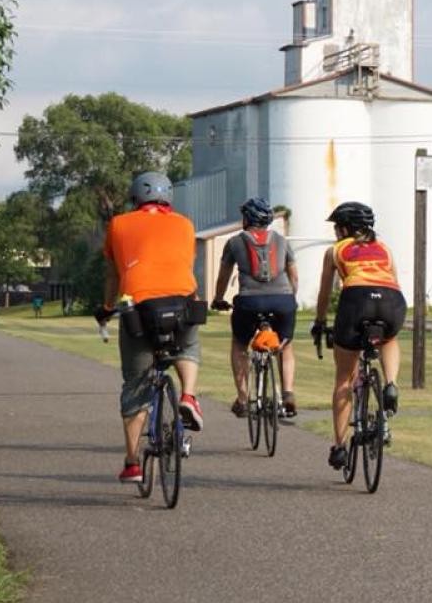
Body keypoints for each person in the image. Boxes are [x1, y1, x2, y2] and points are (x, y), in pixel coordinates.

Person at [96, 171, 204, 484]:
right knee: (188, 345)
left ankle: (132, 463)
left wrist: (106, 308)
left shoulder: (118, 224)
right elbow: (183, 264)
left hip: (139, 307)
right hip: (182, 301)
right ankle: (188, 395)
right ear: (168, 198)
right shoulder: (185, 224)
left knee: (135, 385)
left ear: (135, 199)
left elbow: (114, 275)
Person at [311, 201, 406, 469]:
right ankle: (391, 383)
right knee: (389, 337)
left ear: (343, 229)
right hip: (391, 300)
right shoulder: (385, 249)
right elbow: (394, 279)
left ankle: (340, 447)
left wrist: (320, 321)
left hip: (356, 300)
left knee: (344, 379)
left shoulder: (335, 251)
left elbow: (325, 292)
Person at [211, 197, 299, 417]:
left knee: (240, 345)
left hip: (249, 302)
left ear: (247, 219)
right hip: (283, 301)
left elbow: (223, 277)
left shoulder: (234, 242)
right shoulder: (283, 241)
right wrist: (290, 299)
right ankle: (287, 392)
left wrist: (218, 298)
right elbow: (294, 277)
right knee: (285, 346)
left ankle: (242, 398)